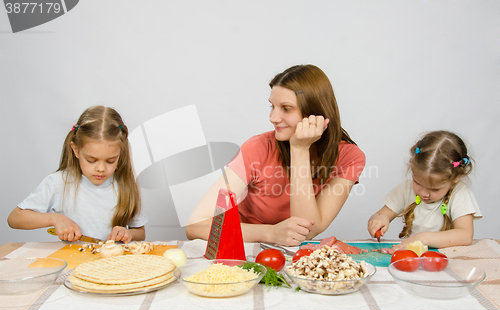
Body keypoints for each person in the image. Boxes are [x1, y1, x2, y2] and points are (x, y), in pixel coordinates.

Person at [186, 64, 365, 246]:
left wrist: (300, 150)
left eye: (286, 108)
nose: (273, 117)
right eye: (273, 106)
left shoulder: (349, 157)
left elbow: (307, 230)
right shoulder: (258, 148)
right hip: (243, 248)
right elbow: (195, 226)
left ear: (315, 114)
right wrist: (270, 233)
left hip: (291, 256)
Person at [7, 106, 147, 242]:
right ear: (76, 150)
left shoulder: (125, 185)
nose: (101, 168)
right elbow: (14, 219)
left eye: (110, 161)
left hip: (114, 263)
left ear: (120, 154)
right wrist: (55, 219)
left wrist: (127, 233)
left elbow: (140, 233)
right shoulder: (58, 183)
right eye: (91, 160)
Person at [367, 130, 481, 249]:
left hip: (448, 260)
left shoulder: (459, 193)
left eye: (435, 189)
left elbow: (465, 235)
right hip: (414, 260)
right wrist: (378, 219)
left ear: (456, 177)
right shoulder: (407, 188)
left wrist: (422, 238)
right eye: (417, 182)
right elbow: (382, 214)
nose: (423, 193)